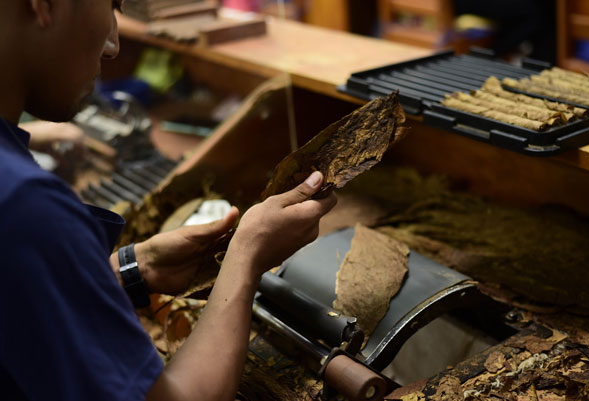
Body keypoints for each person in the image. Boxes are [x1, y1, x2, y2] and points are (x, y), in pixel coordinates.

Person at [0, 1, 337, 400]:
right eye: (110, 5)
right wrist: (246, 257)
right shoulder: (23, 206)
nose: (112, 44)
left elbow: (21, 304)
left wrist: (131, 269)